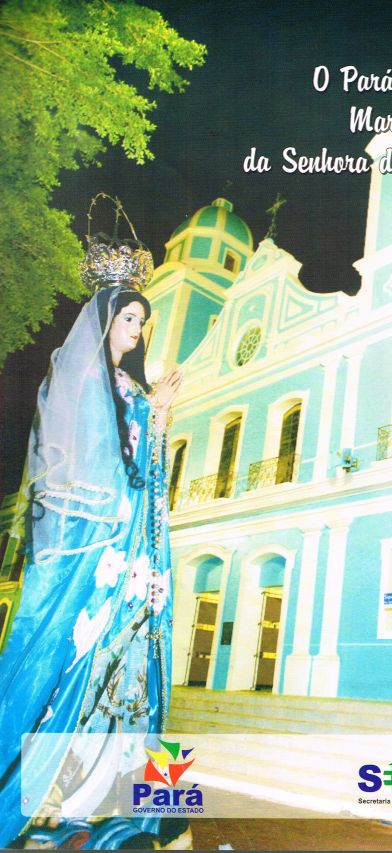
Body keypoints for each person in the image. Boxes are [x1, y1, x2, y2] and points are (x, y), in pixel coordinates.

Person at [0, 284, 184, 849]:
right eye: (128, 317)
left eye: (142, 321)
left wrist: (158, 412)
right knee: (74, 649)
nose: (136, 329)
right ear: (103, 321)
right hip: (95, 535)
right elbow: (82, 453)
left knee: (124, 653)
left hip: (131, 532)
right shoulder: (78, 373)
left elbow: (142, 456)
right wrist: (151, 413)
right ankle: (43, 801)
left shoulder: (129, 385)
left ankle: (105, 801)